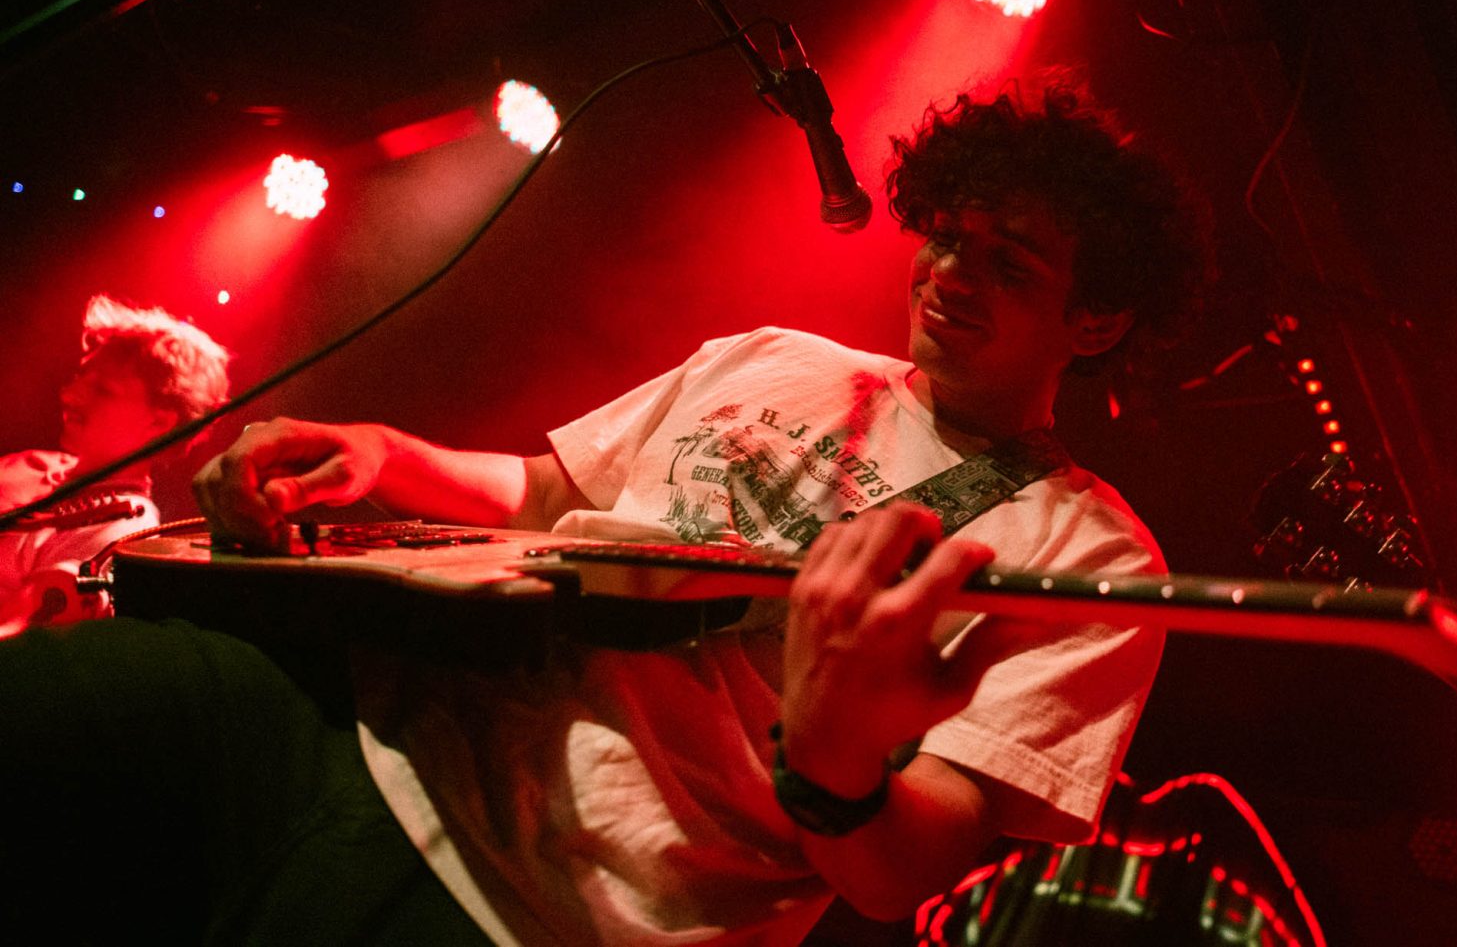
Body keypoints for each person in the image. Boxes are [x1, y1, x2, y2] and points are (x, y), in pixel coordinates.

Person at [0, 77, 1205, 945]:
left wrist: (836, 763)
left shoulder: (1088, 550)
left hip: (548, 910)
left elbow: (904, 869)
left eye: (1012, 263)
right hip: (345, 714)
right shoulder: (775, 353)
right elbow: (545, 491)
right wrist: (379, 449)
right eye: (948, 235)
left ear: (1096, 321)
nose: (951, 273)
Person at [0, 294, 231, 636]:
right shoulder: (35, 463)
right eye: (81, 377)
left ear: (160, 422)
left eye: (103, 390)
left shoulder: (120, 534)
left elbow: (22, 644)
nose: (70, 395)